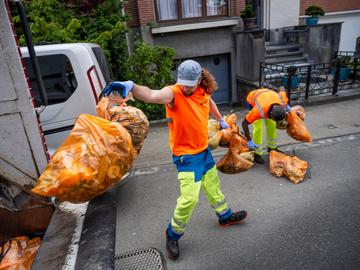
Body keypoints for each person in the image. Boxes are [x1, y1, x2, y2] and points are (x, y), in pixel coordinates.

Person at [103, 60, 248, 260]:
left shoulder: (202, 91)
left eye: (191, 83)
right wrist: (132, 87)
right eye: (184, 83)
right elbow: (152, 95)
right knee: (189, 198)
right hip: (186, 156)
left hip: (203, 150)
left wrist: (220, 118)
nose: (187, 87)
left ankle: (225, 216)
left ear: (199, 80)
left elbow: (209, 102)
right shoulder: (174, 93)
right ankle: (172, 234)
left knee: (213, 184)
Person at [241, 88, 291, 164]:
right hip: (253, 99)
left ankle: (272, 148)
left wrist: (287, 105)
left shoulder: (282, 102)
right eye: (272, 118)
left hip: (268, 96)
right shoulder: (258, 110)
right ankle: (257, 153)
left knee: (272, 125)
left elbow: (282, 89)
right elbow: (244, 123)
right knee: (258, 128)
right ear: (270, 114)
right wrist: (249, 140)